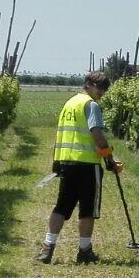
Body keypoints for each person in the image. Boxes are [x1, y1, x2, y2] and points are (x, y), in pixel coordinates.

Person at [36, 71, 122, 265]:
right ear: (89, 84)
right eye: (99, 88)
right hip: (87, 165)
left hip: (66, 163)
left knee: (62, 206)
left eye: (104, 90)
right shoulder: (91, 105)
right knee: (87, 209)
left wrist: (57, 161)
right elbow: (97, 136)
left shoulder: (70, 103)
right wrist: (109, 159)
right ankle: (84, 251)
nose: (101, 93)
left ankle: (47, 249)